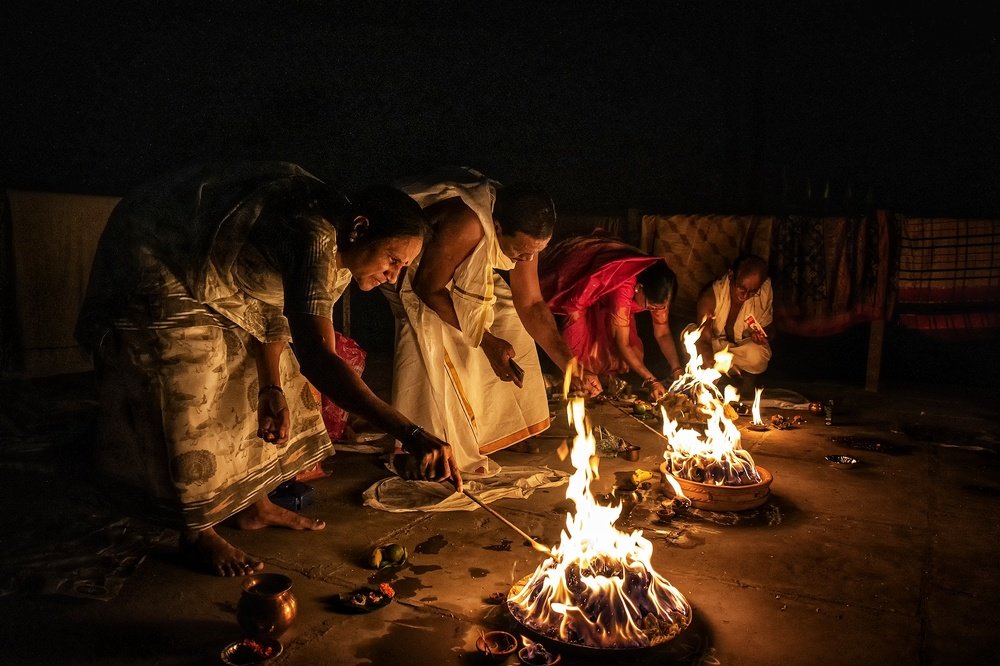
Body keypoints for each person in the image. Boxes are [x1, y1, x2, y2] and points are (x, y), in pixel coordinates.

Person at [75, 161, 462, 577]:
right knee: (192, 377)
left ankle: (253, 505)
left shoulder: (342, 246)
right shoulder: (313, 237)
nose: (392, 276)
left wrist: (271, 387)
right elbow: (319, 359)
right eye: (392, 259)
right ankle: (197, 530)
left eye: (402, 267)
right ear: (360, 228)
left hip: (224, 276)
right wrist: (410, 431)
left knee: (268, 384)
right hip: (163, 253)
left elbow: (270, 310)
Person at [387, 166, 602, 475]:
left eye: (535, 252)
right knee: (432, 332)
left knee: (509, 317)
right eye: (523, 251)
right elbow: (427, 288)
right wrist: (486, 341)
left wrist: (570, 364)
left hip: (450, 266)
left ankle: (494, 430)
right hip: (413, 267)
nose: (527, 260)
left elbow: (530, 303)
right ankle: (418, 444)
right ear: (497, 227)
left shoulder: (526, 231)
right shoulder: (468, 224)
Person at [538, 230, 683, 401]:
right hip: (585, 287)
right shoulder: (625, 286)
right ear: (639, 288)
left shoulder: (660, 293)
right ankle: (571, 379)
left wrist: (677, 370)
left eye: (659, 308)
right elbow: (621, 343)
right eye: (649, 306)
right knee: (578, 354)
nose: (654, 310)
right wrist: (651, 380)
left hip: (611, 300)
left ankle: (602, 378)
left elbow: (663, 332)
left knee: (626, 355)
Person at [695, 254, 773, 396]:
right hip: (713, 348)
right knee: (688, 337)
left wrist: (761, 337)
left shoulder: (764, 292)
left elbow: (769, 329)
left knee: (759, 353)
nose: (745, 296)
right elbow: (703, 338)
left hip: (739, 350)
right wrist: (709, 365)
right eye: (741, 288)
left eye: (752, 292)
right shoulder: (711, 295)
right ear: (731, 276)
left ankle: (746, 383)